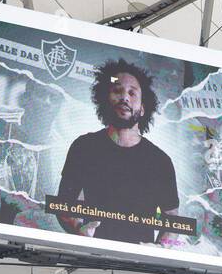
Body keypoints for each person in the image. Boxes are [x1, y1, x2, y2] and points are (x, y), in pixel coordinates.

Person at [54, 59, 180, 244]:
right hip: (89, 258)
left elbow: (173, 221)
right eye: (117, 90)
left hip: (137, 268)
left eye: (132, 93)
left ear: (143, 108)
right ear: (105, 99)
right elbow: (63, 206)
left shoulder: (160, 162)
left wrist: (160, 249)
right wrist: (79, 230)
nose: (125, 97)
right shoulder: (83, 147)